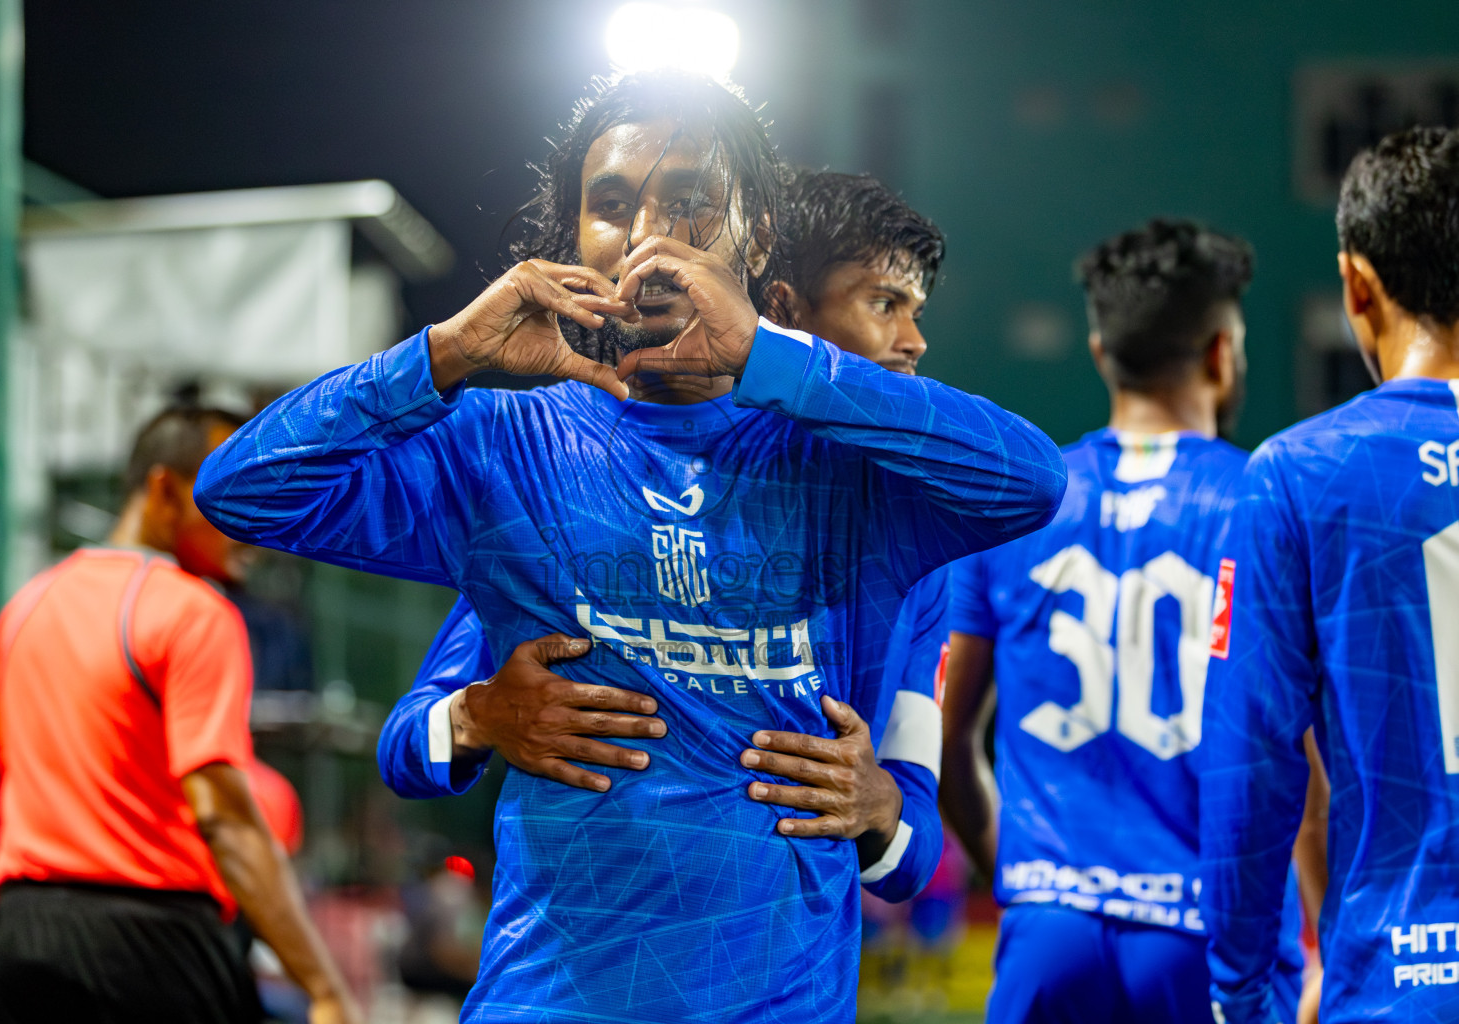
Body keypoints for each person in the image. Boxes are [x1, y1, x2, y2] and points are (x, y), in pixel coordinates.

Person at [195, 70, 1065, 1022]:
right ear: (575, 239)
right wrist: (442, 353)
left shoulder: (860, 473)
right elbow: (240, 490)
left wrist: (885, 810)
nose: (648, 234)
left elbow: (1032, 479)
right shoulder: (502, 441)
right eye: (610, 206)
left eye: (691, 203)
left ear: (757, 237)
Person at [379, 169, 949, 903]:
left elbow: (912, 856)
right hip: (579, 966)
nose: (913, 341)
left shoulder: (919, 543)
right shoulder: (580, 491)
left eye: (916, 309)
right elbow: (404, 747)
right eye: (883, 303)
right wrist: (478, 714)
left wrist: (878, 807)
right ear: (780, 307)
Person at [934, 219, 1306, 1023]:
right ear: (1220, 353)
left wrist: (1030, 884)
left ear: (1101, 354)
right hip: (1208, 930)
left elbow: (946, 736)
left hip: (1049, 930)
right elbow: (1298, 751)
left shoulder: (1021, 505)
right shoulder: (1263, 500)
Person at [0, 407, 358, 1024]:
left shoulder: (24, 607)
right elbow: (225, 821)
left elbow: (1, 784)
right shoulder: (194, 614)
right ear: (165, 489)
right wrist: (325, 987)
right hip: (151, 952)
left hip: (16, 942)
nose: (255, 523)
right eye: (233, 489)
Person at [1200, 125, 1459, 1024]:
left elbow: (1251, 762)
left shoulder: (1301, 474)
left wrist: (1239, 989)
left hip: (1403, 982)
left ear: (1357, 282)